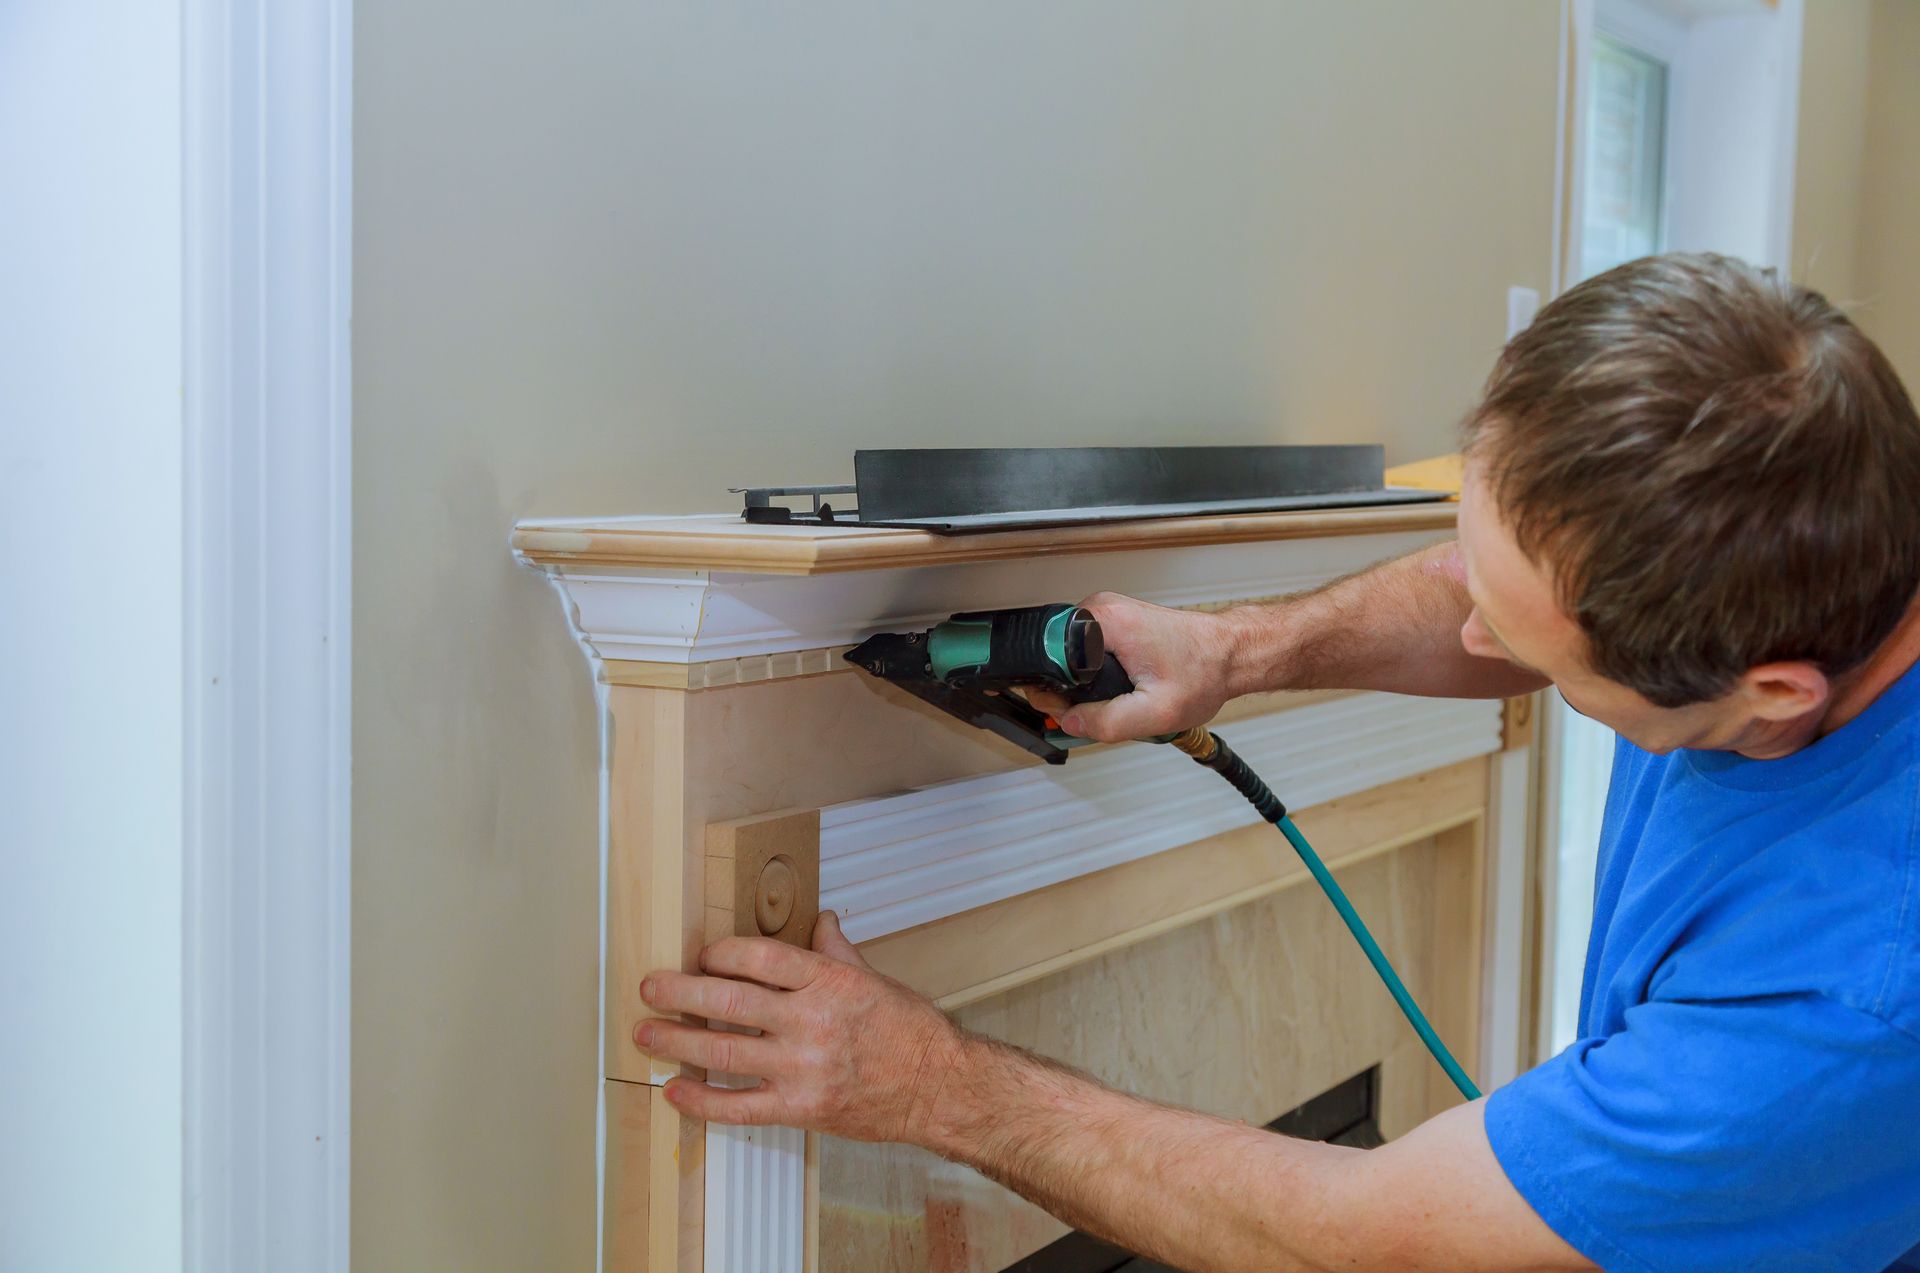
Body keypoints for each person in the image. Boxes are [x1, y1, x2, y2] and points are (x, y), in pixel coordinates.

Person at [634, 254, 1920, 1271]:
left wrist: (935, 1088)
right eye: (1480, 572)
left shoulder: (1844, 1008)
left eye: (1536, 648)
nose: (1477, 634)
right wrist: (1241, 652)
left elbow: (1361, 1236)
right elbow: (1507, 586)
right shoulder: (1811, 491)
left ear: (1773, 691)